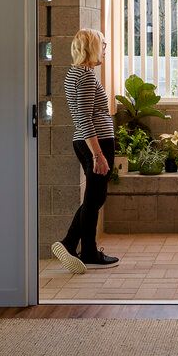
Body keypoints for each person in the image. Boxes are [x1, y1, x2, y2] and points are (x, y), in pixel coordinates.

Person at [51, 29, 119, 274]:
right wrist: (98, 154)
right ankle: (73, 245)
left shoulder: (76, 73)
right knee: (94, 197)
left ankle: (83, 248)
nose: (105, 48)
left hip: (88, 141)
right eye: (102, 44)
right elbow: (84, 117)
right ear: (92, 47)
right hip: (94, 142)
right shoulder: (86, 77)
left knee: (94, 196)